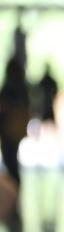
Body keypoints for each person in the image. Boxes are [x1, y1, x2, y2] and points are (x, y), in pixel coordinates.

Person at [0, 58, 30, 186]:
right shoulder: (22, 87)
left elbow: (5, 106)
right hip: (16, 128)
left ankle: (14, 185)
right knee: (12, 157)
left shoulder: (9, 87)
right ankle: (15, 185)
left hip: (9, 128)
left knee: (10, 158)